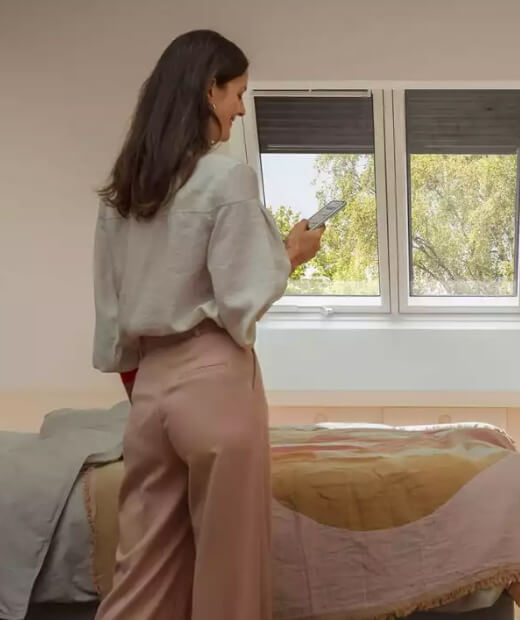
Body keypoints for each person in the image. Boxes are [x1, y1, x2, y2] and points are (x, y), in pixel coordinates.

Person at [92, 30, 324, 620]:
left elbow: (113, 312)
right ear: (208, 90)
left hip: (150, 386)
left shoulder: (123, 192)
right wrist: (291, 254)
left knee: (141, 575)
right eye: (238, 93)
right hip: (214, 379)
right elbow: (243, 296)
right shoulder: (226, 179)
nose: (241, 109)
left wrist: (144, 387)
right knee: (230, 575)